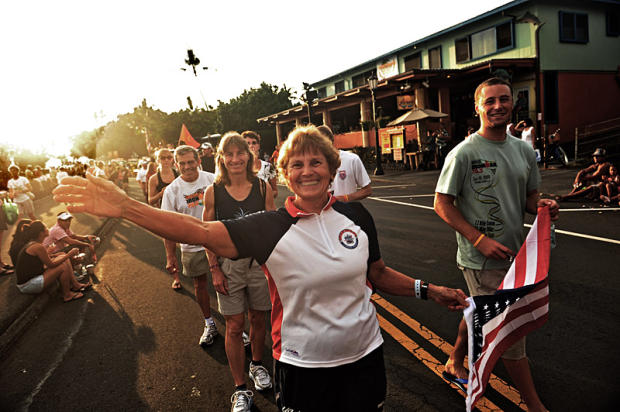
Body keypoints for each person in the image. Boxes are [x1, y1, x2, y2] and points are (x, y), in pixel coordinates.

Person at [53, 125, 469, 412]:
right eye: (297, 165)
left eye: (316, 162)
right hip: (304, 367)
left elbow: (377, 274)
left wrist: (429, 289)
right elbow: (198, 231)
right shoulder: (270, 227)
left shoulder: (357, 216)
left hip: (365, 358)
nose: (307, 171)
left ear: (331, 169)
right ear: (285, 174)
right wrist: (127, 208)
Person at [434, 77, 559, 412]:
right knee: (511, 333)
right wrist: (479, 240)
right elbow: (442, 204)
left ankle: (454, 360)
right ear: (478, 107)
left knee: (478, 308)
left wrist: (543, 205)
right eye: (489, 101)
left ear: (512, 104)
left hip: (516, 256)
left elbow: (529, 198)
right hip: (481, 259)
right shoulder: (464, 153)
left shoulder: (523, 150)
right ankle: (534, 405)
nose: (497, 106)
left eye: (503, 99)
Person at [203, 133, 275, 411]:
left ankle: (256, 365)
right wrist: (214, 269)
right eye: (229, 154)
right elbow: (206, 234)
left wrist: (273, 265)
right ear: (221, 158)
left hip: (258, 264)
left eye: (240, 153)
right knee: (234, 326)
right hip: (228, 265)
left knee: (258, 319)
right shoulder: (214, 191)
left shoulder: (262, 187)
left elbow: (272, 227)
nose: (235, 159)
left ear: (249, 155)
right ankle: (240, 389)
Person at [160, 145, 218, 345]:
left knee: (227, 284)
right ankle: (209, 323)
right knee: (199, 285)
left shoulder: (213, 179)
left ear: (198, 161)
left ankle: (234, 325)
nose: (187, 167)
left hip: (218, 242)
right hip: (191, 247)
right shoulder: (172, 191)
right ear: (176, 165)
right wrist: (170, 256)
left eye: (191, 162)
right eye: (182, 163)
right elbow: (168, 227)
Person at [11, 220, 90, 302]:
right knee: (62, 266)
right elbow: (51, 264)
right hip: (28, 285)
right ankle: (67, 295)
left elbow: (41, 259)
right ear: (41, 233)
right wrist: (69, 254)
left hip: (34, 278)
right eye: (45, 228)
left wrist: (56, 255)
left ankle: (75, 285)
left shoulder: (34, 244)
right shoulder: (37, 246)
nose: (48, 229)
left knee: (62, 256)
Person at [318, 125, 372, 202]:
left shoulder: (352, 159)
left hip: (347, 208)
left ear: (330, 141)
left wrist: (345, 198)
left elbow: (367, 190)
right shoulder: (312, 165)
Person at [242, 131, 278, 199]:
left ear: (258, 146)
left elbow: (275, 191)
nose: (251, 146)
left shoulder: (269, 167)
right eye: (247, 143)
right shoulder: (239, 167)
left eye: (254, 143)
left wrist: (263, 196)